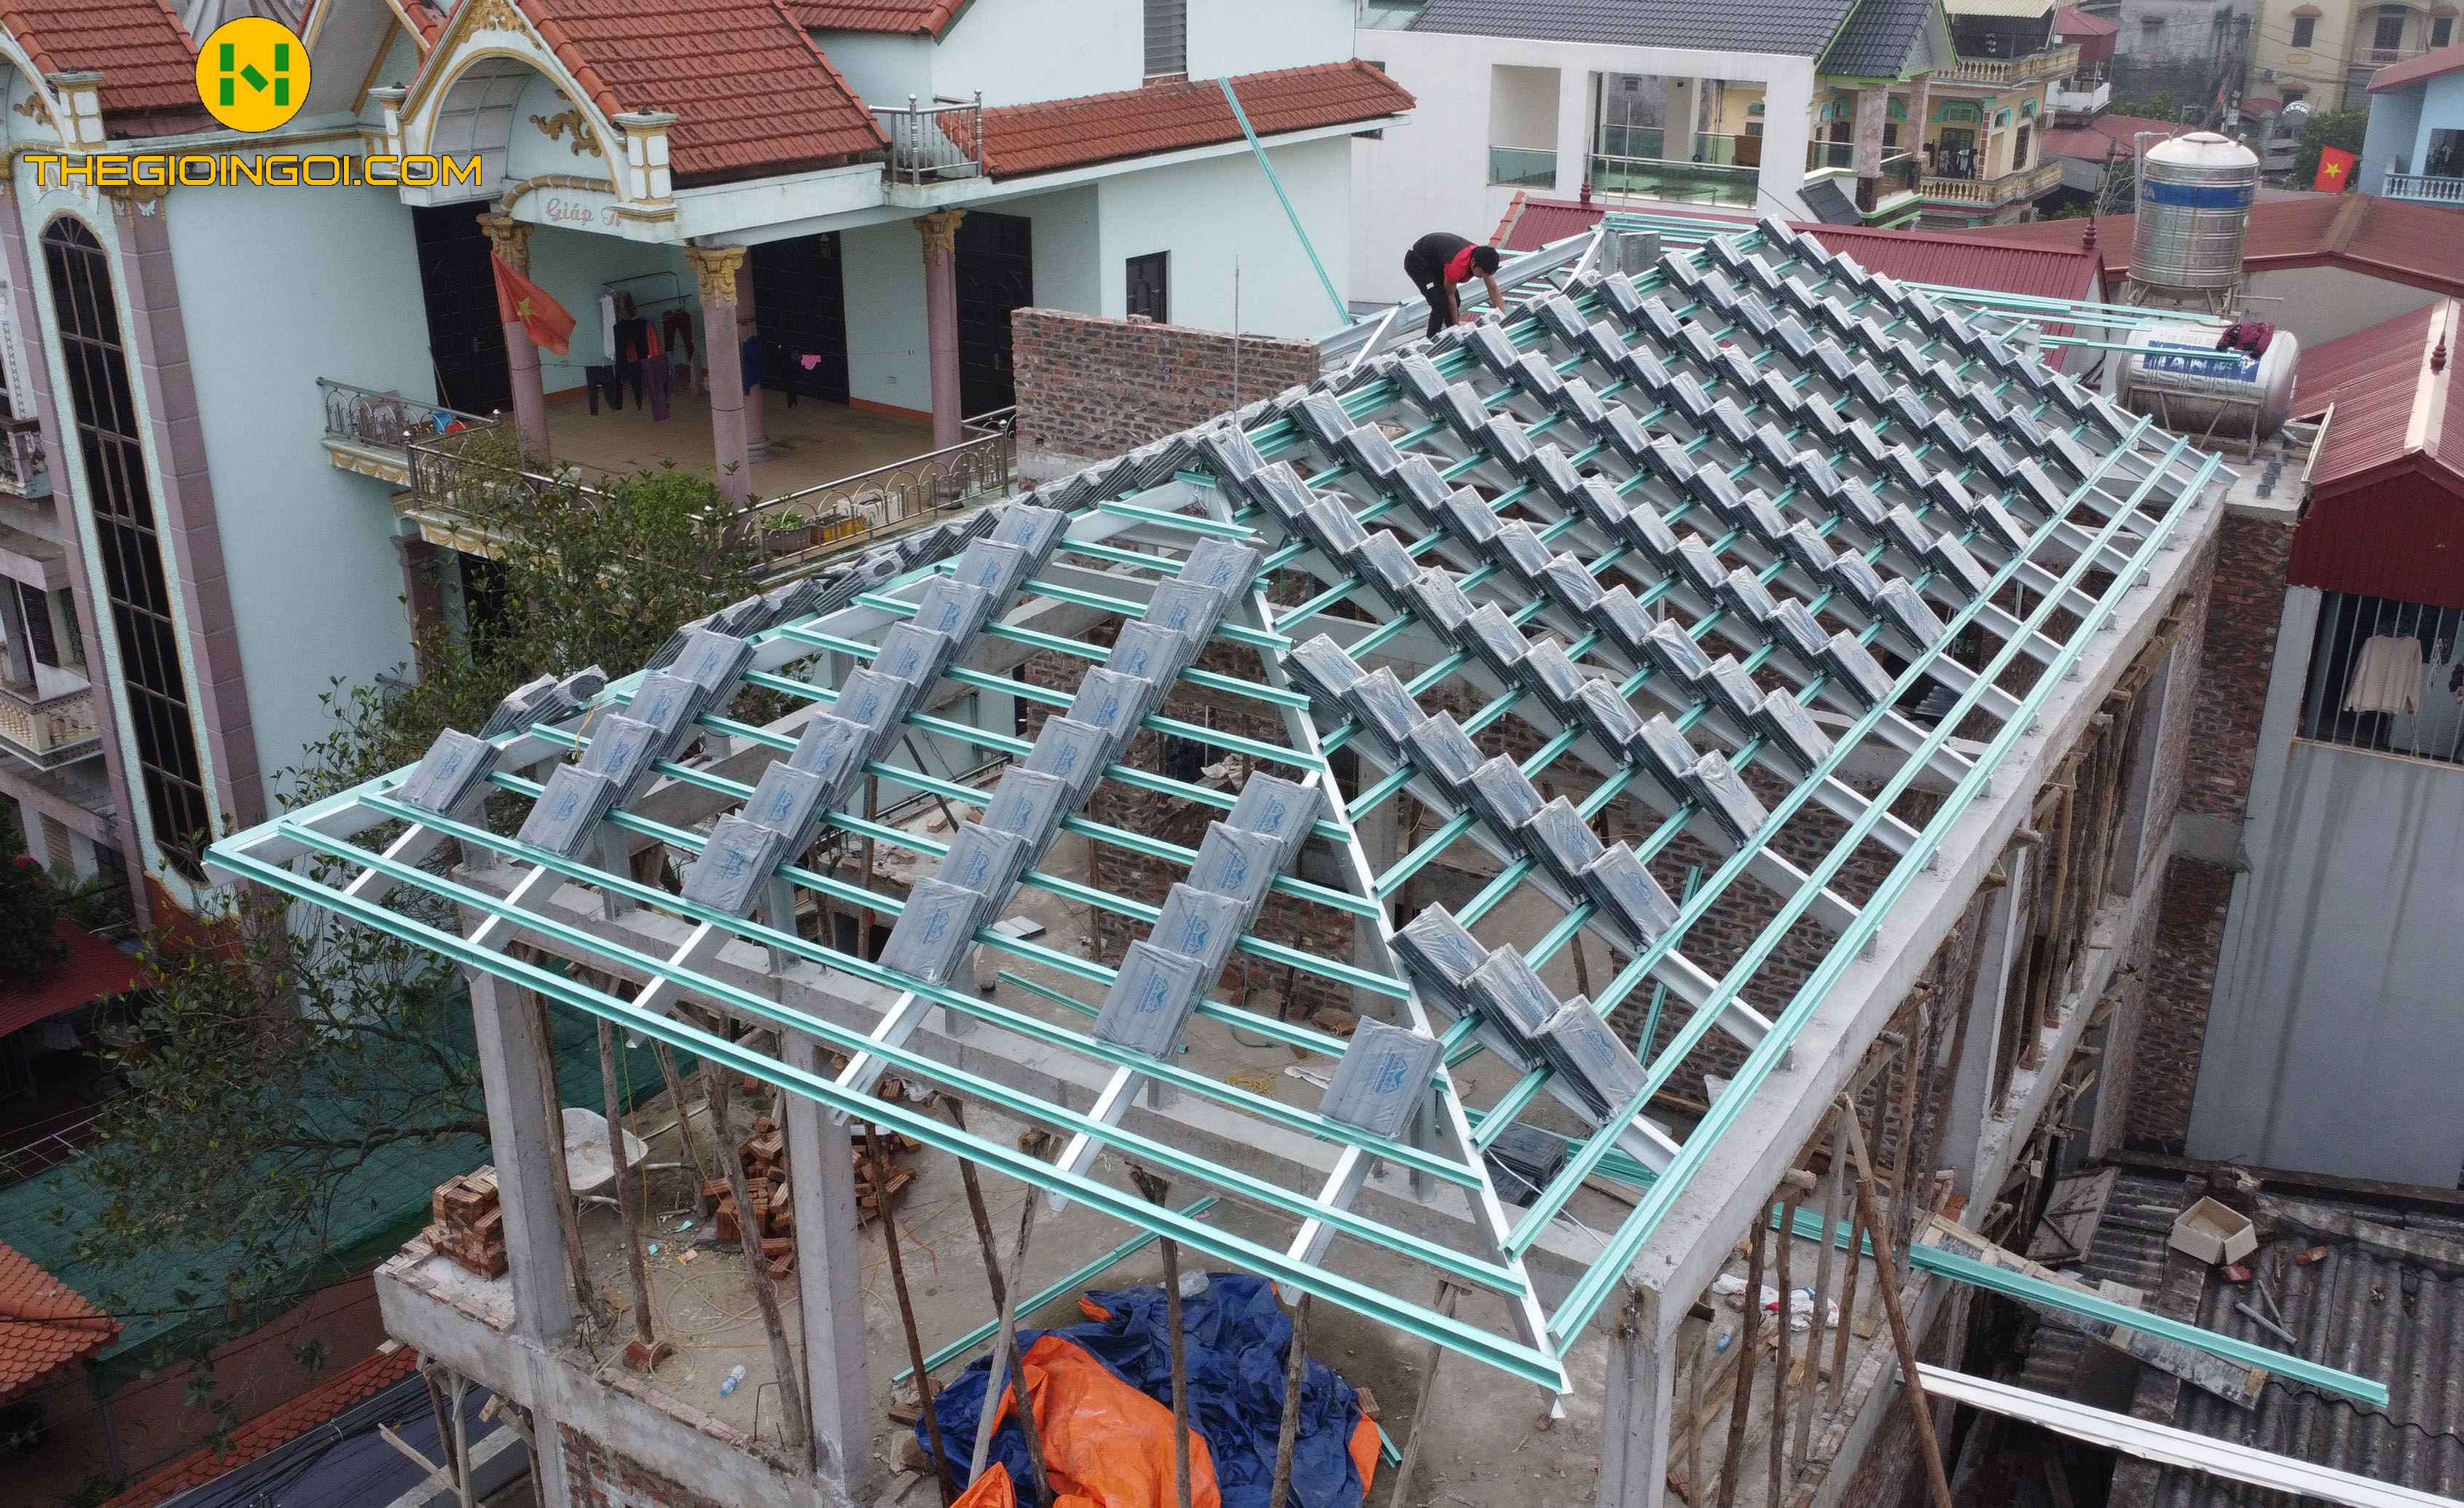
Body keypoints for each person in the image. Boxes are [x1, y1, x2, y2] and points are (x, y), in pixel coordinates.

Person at [1402, 232, 1504, 340]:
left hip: (1437, 262)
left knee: (1457, 301)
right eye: (1483, 274)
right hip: (1418, 261)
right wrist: (1457, 329)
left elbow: (1493, 288)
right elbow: (1450, 295)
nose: (1484, 277)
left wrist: (1500, 317)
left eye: (1487, 275)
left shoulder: (1483, 260)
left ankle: (1450, 336)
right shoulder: (1457, 267)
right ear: (1473, 262)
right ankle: (1431, 341)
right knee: (1440, 302)